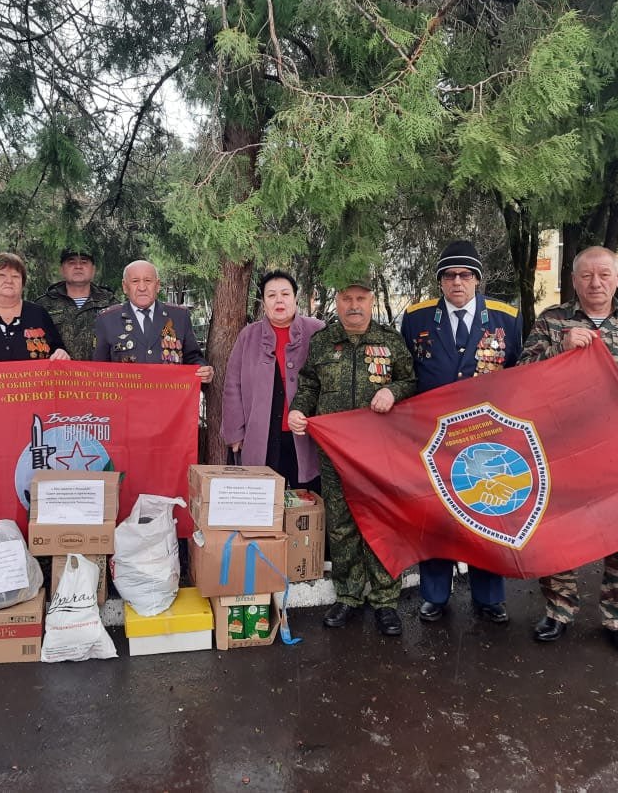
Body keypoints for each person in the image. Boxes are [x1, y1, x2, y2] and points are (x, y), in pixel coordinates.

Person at [519, 245, 618, 658]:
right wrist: (560, 347)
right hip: (562, 448)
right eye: (587, 275)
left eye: (604, 275)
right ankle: (558, 611)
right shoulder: (553, 321)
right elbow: (520, 377)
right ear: (574, 280)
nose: (595, 283)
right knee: (558, 531)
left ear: (617, 278)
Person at [400, 240, 522, 625]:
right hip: (433, 438)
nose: (457, 282)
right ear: (440, 281)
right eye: (449, 275)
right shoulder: (417, 319)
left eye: (465, 275)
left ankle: (489, 597)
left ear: (477, 280)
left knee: (489, 512)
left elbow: (519, 373)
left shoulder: (506, 318)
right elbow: (406, 373)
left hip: (487, 438)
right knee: (435, 517)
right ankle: (435, 595)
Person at [288, 279, 417, 636]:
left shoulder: (390, 340)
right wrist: (298, 411)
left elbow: (411, 381)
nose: (354, 305)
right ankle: (348, 595)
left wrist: (392, 390)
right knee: (342, 522)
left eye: (361, 298)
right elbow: (309, 384)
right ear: (339, 301)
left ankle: (385, 600)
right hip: (335, 451)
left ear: (372, 301)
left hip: (379, 451)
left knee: (379, 520)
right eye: (347, 297)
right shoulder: (323, 341)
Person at [222, 270, 324, 489]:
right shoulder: (248, 336)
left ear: (295, 298)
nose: (279, 300)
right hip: (263, 436)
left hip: (307, 436)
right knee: (264, 501)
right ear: (263, 302)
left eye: (285, 294)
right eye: (271, 295)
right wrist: (234, 432)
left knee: (307, 501)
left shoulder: (316, 331)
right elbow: (232, 386)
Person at [92, 259, 214, 383]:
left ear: (157, 285)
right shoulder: (107, 319)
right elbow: (99, 370)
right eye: (135, 281)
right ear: (125, 286)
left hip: (168, 399)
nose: (142, 287)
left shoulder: (179, 316)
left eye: (148, 281)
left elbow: (193, 357)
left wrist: (202, 370)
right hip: (127, 400)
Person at [35, 249, 116, 360]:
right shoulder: (43, 305)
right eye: (71, 262)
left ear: (93, 270)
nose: (78, 266)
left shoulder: (111, 303)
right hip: (58, 374)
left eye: (84, 262)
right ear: (62, 270)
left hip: (99, 375)